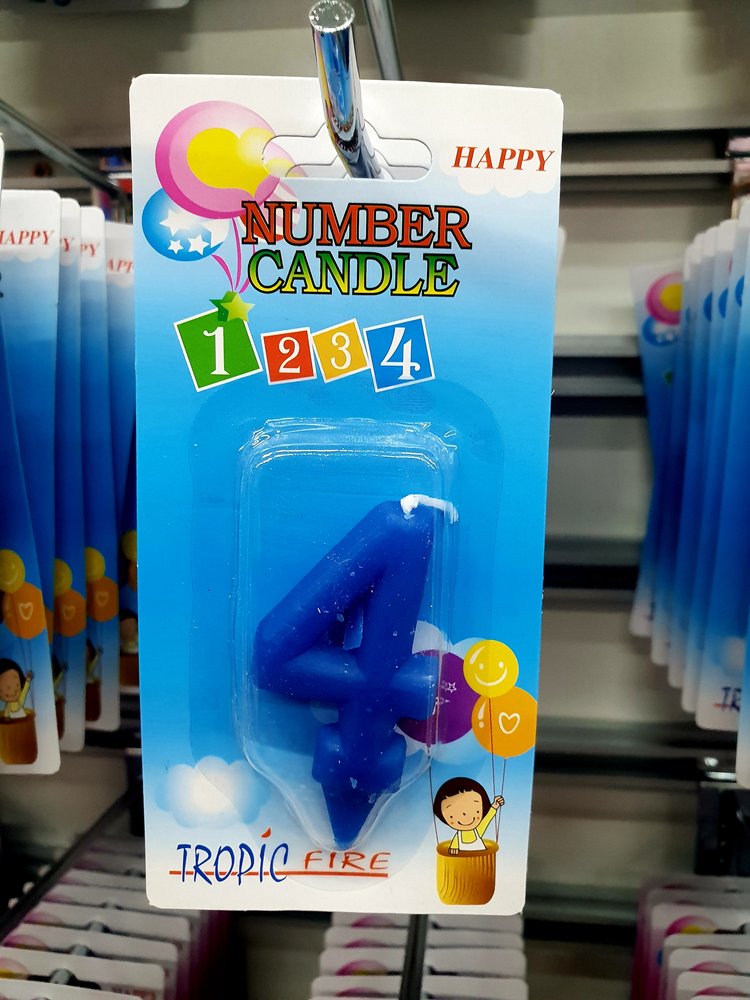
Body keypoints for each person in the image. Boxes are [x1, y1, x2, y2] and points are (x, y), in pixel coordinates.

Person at [432, 777, 504, 854]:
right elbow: (455, 845)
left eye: (476, 810)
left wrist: (494, 806)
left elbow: (487, 819)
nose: (465, 815)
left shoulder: (478, 832)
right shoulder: (458, 838)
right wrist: (454, 848)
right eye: (452, 816)